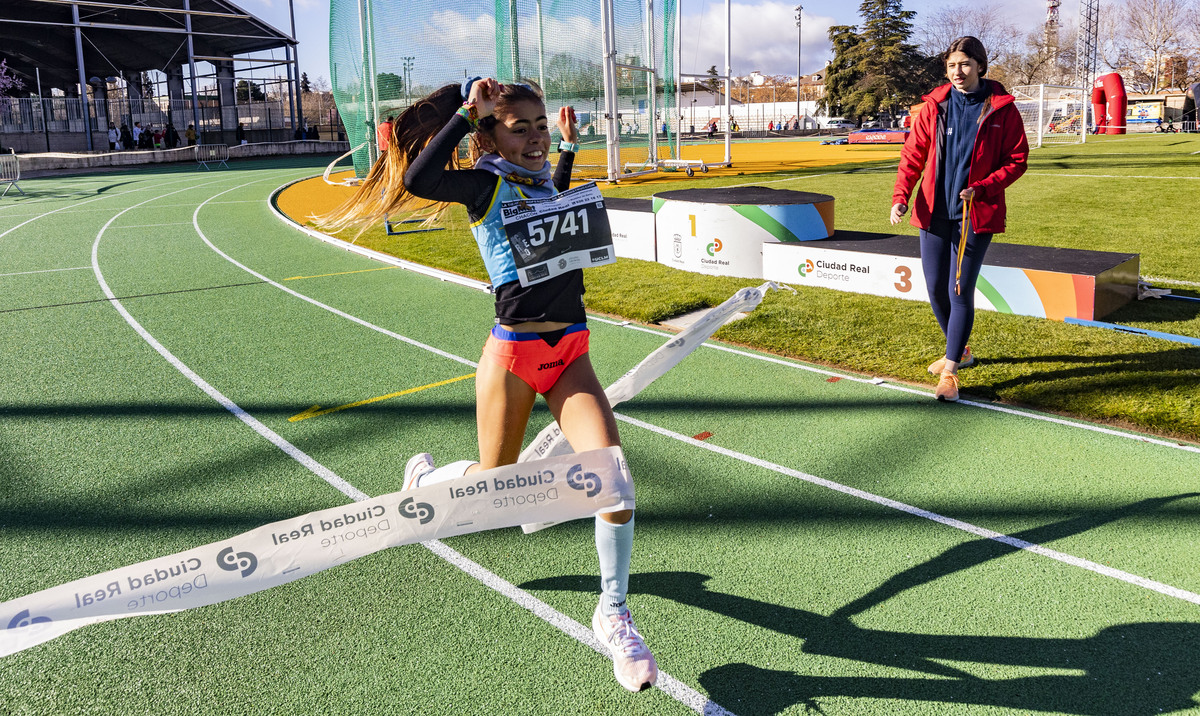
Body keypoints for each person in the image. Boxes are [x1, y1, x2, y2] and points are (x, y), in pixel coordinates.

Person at [316, 76, 658, 694]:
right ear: (489, 133)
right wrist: (462, 111)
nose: (534, 137)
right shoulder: (485, 187)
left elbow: (550, 208)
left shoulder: (537, 181)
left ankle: (614, 614)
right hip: (514, 357)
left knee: (615, 478)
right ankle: (425, 480)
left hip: (572, 354)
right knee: (495, 489)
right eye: (518, 126)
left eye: (539, 126)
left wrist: (572, 151)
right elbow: (420, 179)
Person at [890, 36, 1028, 402]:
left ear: (980, 66)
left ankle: (950, 371)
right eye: (952, 65)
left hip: (974, 215)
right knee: (936, 288)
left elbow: (1017, 161)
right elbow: (912, 155)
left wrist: (981, 188)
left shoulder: (1002, 109)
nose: (958, 71)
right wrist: (901, 198)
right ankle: (961, 350)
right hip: (932, 213)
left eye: (965, 64)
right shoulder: (934, 106)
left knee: (959, 290)